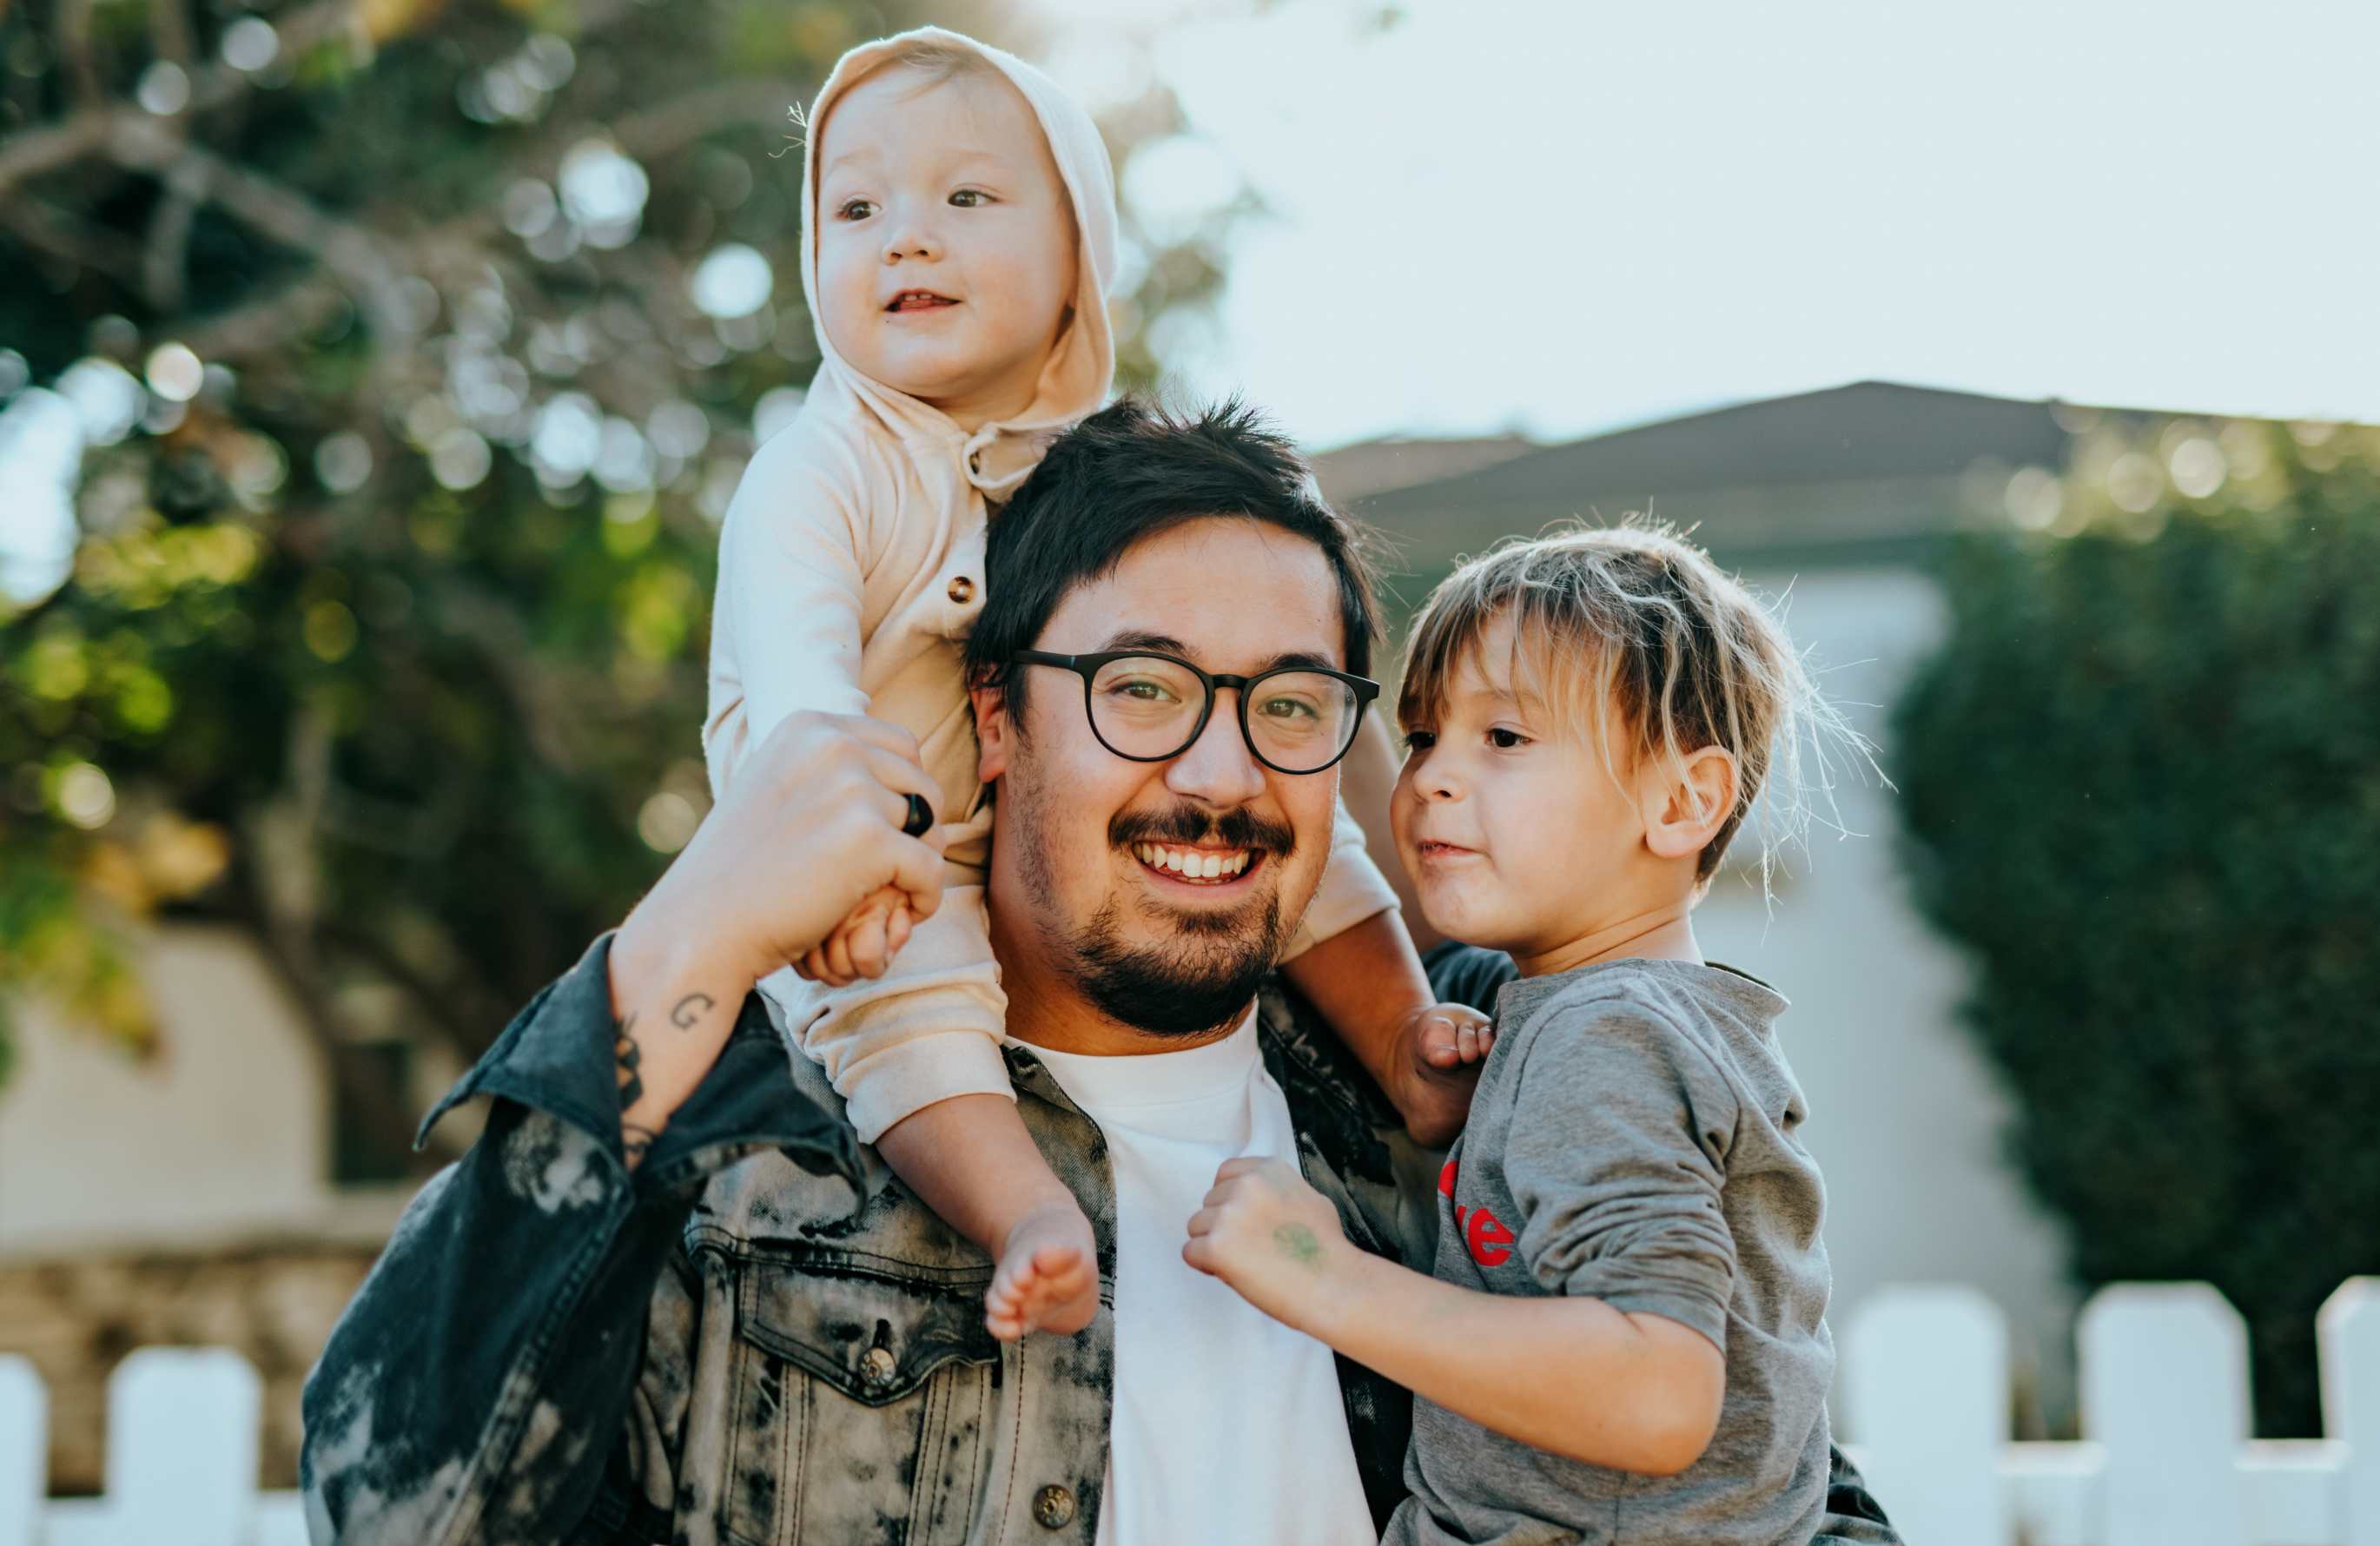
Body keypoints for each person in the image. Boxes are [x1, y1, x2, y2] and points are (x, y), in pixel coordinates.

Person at [300, 401, 1900, 1546]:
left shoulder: (1470, 1069)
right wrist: (691, 931)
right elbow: (399, 1509)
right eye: (1142, 688)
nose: (1221, 773)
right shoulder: (750, 1119)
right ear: (996, 720)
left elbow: (1772, 1483)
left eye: (1289, 705)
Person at [704, 25, 1483, 1344]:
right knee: (907, 1013)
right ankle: (1025, 1212)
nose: (906, 239)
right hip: (870, 860)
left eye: (966, 197)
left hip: (993, 834)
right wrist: (846, 869)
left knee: (1304, 836)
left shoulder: (1095, 474)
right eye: (856, 210)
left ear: (1080, 256)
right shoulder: (819, 470)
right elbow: (801, 701)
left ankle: (1407, 1045)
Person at [1189, 527, 1867, 1544]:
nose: (1430, 778)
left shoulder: (1604, 1038)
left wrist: (1322, 1277)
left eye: (1503, 738)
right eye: (1422, 735)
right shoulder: (1619, 1016)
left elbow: (1656, 1393)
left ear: (1683, 800)